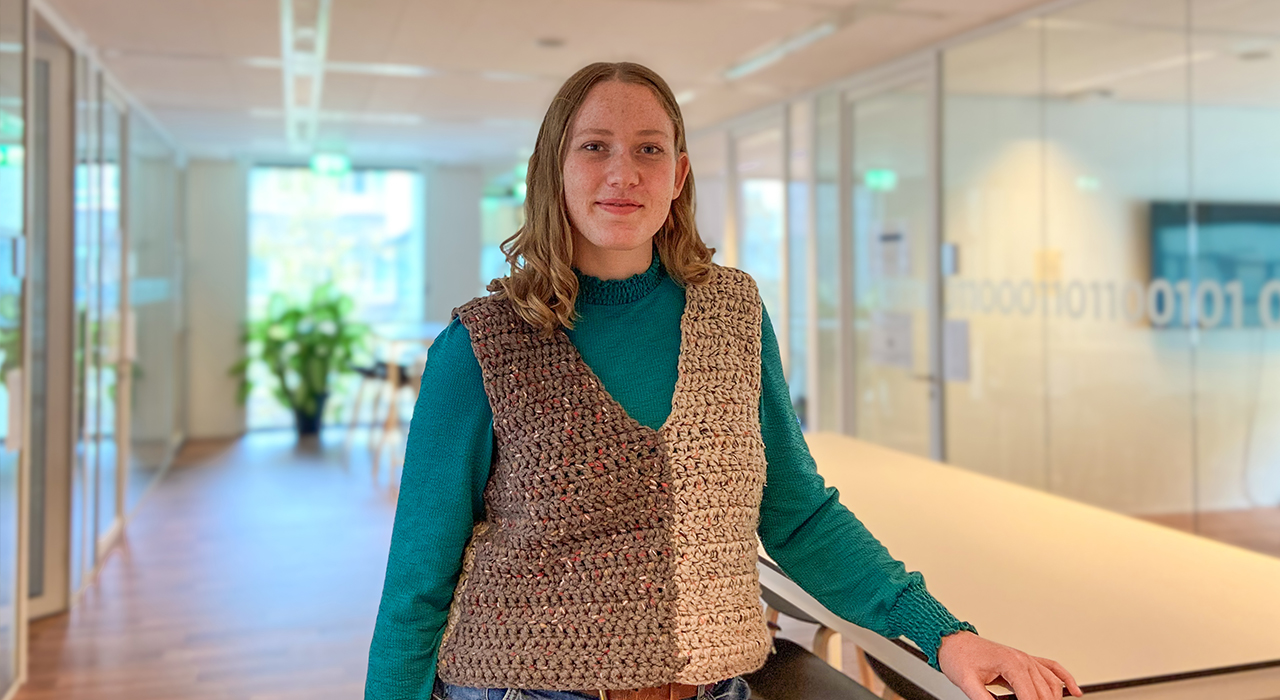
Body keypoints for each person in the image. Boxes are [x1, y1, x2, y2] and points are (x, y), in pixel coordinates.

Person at [366, 61, 1084, 700]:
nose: (625, 173)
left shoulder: (732, 313)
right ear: (554, 169)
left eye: (650, 149)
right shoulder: (483, 343)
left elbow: (799, 515)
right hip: (520, 685)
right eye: (595, 148)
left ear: (678, 175)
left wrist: (945, 635)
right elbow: (417, 584)